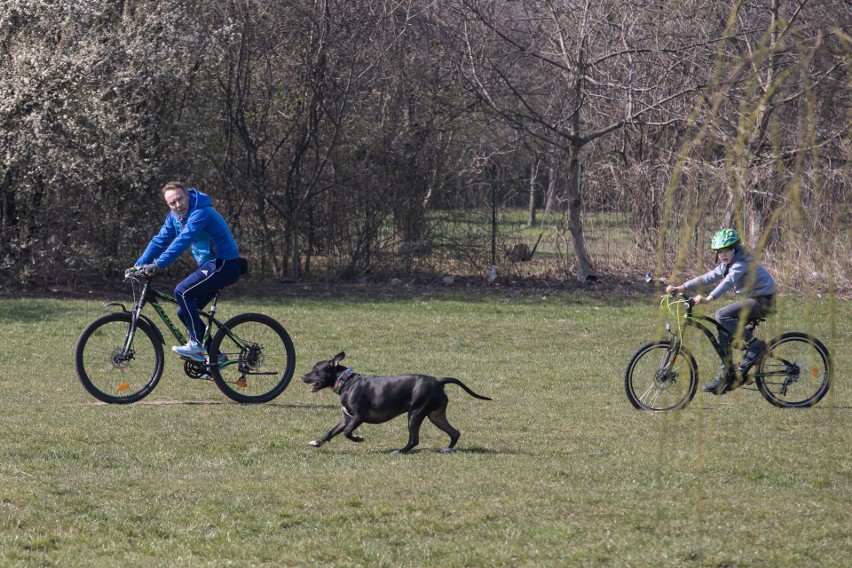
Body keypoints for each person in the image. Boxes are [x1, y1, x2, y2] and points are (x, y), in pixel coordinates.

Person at [134, 181, 242, 362]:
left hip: (224, 264)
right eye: (172, 203)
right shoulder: (174, 217)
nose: (178, 205)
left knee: (181, 291)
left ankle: (195, 345)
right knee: (183, 312)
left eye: (180, 199)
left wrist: (158, 264)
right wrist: (138, 265)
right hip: (210, 267)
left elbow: (183, 240)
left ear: (187, 195)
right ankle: (216, 357)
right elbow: (159, 240)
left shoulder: (201, 212)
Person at [665, 228, 776, 394]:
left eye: (726, 251)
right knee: (723, 330)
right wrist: (682, 287)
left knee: (721, 315)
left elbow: (729, 282)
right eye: (719, 252)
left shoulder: (741, 263)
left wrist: (709, 298)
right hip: (756, 298)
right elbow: (708, 277)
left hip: (765, 301)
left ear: (734, 249)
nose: (722, 255)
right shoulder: (728, 264)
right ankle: (727, 376)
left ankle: (755, 346)